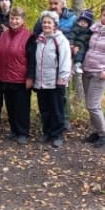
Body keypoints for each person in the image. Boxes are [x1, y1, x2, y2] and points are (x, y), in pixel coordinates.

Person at [33, 0, 77, 130]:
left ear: (62, 4)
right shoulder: (43, 23)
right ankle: (48, 129)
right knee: (46, 103)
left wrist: (76, 46)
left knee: (60, 99)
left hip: (64, 63)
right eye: (51, 3)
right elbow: (36, 34)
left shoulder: (72, 19)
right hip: (44, 70)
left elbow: (81, 34)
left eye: (55, 3)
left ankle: (62, 124)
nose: (53, 6)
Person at [31, 11, 71, 147]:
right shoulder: (40, 38)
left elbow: (65, 59)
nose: (46, 25)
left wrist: (63, 78)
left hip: (55, 82)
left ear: (55, 25)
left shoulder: (60, 39)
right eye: (44, 22)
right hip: (41, 82)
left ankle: (57, 134)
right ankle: (47, 132)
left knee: (56, 109)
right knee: (45, 109)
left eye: (49, 22)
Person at [0, 7, 33, 144]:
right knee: (10, 106)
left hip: (21, 78)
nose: (14, 21)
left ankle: (23, 132)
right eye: (12, 18)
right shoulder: (4, 35)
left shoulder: (28, 36)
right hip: (5, 77)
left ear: (22, 20)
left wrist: (30, 77)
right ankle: (14, 130)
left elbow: (32, 59)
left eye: (17, 18)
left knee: (22, 107)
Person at [82, 5, 105, 148]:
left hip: (100, 73)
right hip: (87, 69)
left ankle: (103, 133)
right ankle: (96, 132)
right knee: (89, 105)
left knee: (93, 106)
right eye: (104, 14)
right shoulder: (94, 30)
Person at [68, 9, 94, 74]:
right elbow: (72, 36)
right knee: (79, 51)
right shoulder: (76, 28)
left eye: (85, 22)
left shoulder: (90, 31)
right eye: (81, 21)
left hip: (84, 45)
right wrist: (71, 43)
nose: (82, 23)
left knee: (83, 53)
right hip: (77, 44)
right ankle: (77, 65)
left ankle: (77, 66)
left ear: (88, 24)